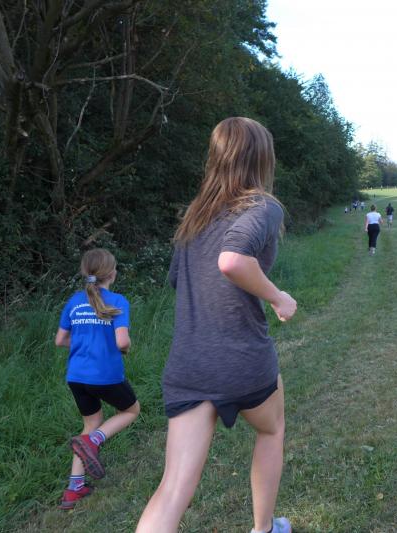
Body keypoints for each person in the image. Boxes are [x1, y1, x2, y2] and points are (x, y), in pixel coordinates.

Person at [137, 117, 296, 533]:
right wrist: (278, 297)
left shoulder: (194, 216)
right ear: (261, 158)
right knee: (272, 431)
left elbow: (180, 279)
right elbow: (232, 261)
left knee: (172, 489)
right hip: (242, 359)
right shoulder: (264, 206)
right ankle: (264, 529)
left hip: (189, 365)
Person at [55, 248, 140, 510]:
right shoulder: (117, 301)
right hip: (105, 374)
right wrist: (125, 348)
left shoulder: (74, 301)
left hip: (76, 376)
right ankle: (94, 441)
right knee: (131, 410)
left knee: (91, 423)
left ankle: (74, 489)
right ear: (112, 273)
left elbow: (60, 340)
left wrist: (85, 346)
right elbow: (122, 341)